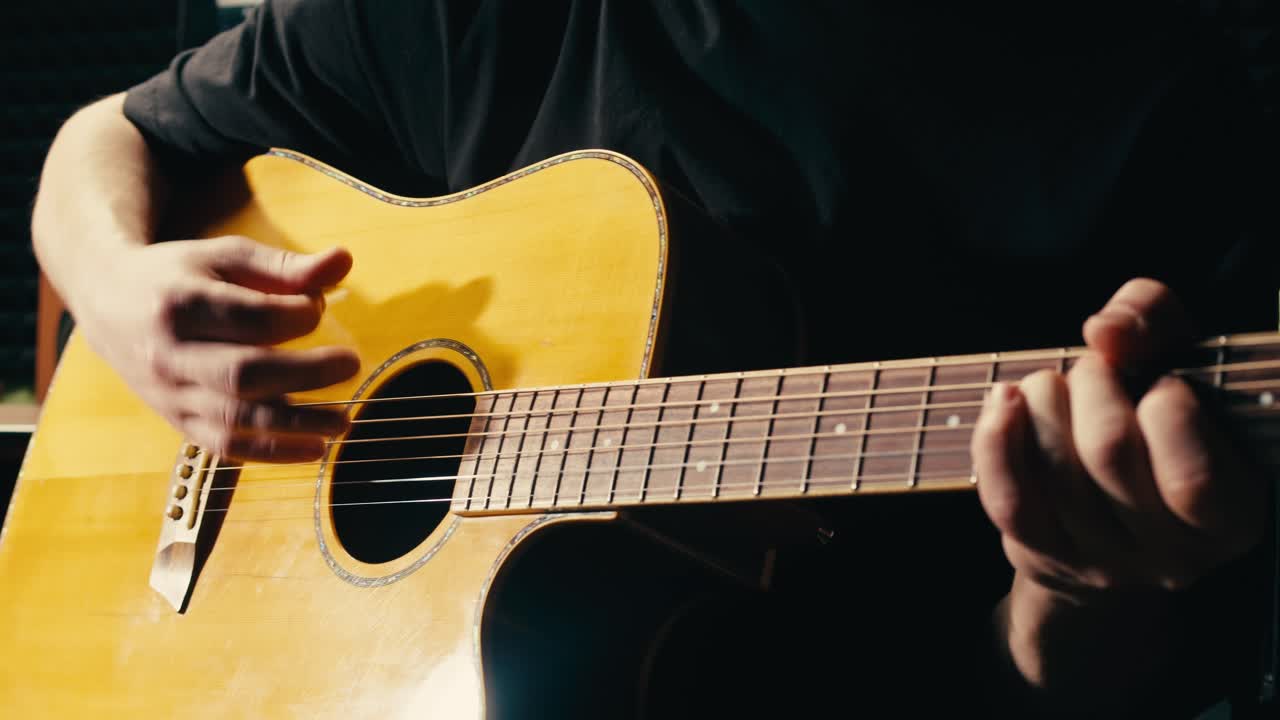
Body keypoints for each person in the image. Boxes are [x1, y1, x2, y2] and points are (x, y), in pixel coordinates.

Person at [29, 1, 1274, 716]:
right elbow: (111, 134)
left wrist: (1078, 588)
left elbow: (1060, 694)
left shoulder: (1183, 94)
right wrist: (120, 288)